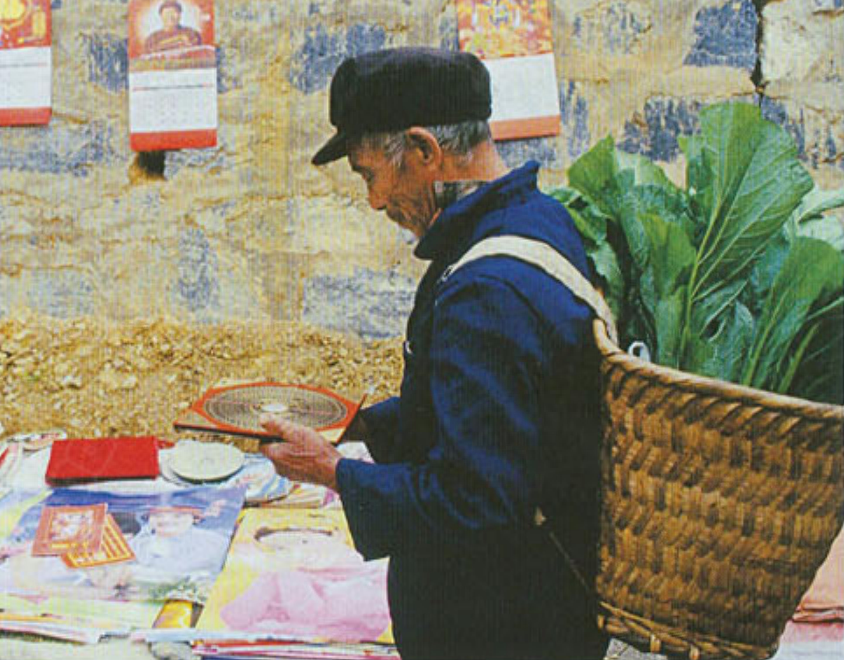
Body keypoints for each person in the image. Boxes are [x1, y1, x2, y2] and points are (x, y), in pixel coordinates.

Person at [260, 47, 608, 660]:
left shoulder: (486, 290)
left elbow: (479, 499)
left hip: (504, 629)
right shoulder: (536, 218)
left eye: (370, 174)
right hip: (541, 610)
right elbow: (496, 420)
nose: (373, 201)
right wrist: (360, 423)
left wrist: (334, 473)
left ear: (425, 151)